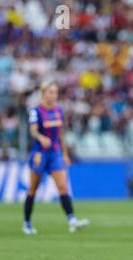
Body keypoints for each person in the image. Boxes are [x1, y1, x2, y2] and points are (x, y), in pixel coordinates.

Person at [23, 81, 89, 235]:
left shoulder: (59, 110)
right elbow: (32, 131)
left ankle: (72, 220)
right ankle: (27, 223)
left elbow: (60, 134)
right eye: (51, 92)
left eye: (56, 92)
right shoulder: (36, 111)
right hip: (39, 154)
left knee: (62, 187)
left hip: (55, 153)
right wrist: (41, 138)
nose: (54, 95)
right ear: (43, 93)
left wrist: (65, 154)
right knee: (33, 189)